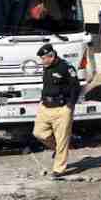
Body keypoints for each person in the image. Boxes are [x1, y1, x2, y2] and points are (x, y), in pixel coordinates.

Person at [32, 43, 81, 179]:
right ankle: (57, 150)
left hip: (62, 108)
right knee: (39, 133)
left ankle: (59, 169)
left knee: (62, 139)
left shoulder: (66, 67)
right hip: (45, 107)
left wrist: (70, 105)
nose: (42, 62)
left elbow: (75, 87)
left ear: (51, 56)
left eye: (43, 59)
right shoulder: (46, 68)